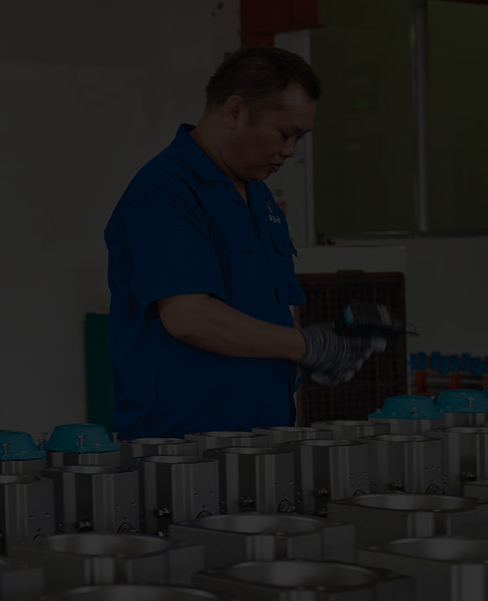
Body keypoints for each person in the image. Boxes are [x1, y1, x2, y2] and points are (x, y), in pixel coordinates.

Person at [105, 46, 383, 438]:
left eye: (300, 138)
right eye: (284, 133)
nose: (290, 151)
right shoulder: (164, 193)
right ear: (235, 111)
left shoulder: (258, 196)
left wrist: (317, 354)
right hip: (182, 446)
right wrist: (305, 346)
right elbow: (189, 317)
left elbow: (271, 310)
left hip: (265, 433)